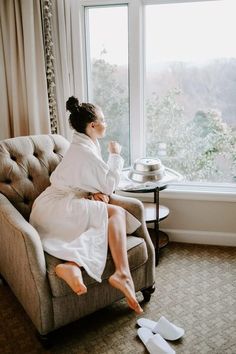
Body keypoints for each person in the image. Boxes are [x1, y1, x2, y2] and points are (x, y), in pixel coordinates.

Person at [30, 96, 143, 314]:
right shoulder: (84, 151)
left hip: (55, 206)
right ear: (92, 126)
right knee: (115, 214)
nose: (106, 123)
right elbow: (109, 185)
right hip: (55, 207)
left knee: (101, 220)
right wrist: (115, 155)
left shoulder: (84, 145)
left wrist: (91, 195)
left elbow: (87, 180)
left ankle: (72, 266)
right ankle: (122, 273)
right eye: (103, 120)